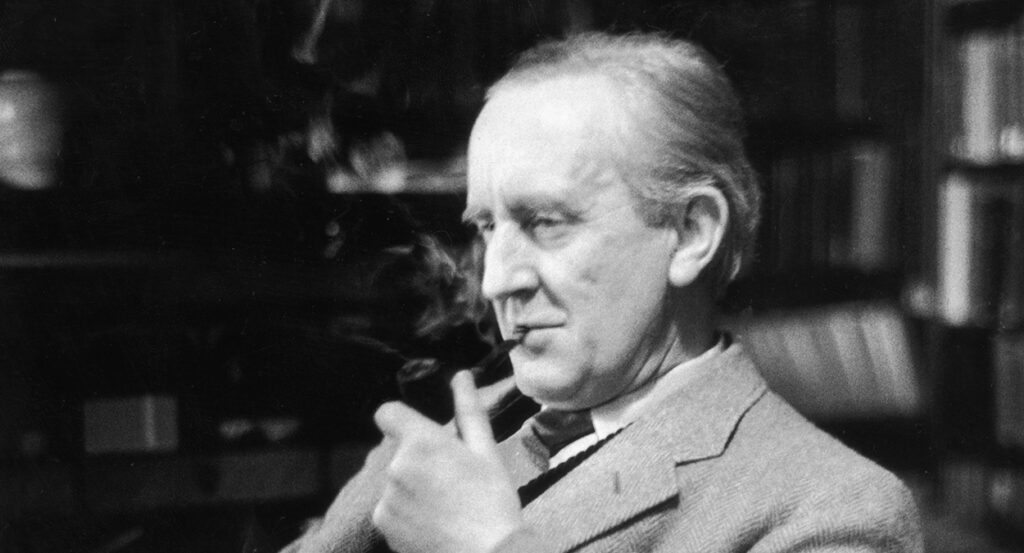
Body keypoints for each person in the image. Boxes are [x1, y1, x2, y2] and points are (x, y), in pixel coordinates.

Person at [282, 32, 923, 553]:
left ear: (691, 233)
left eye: (546, 223)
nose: (496, 281)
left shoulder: (833, 511)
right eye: (486, 227)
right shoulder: (443, 447)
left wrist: (491, 547)